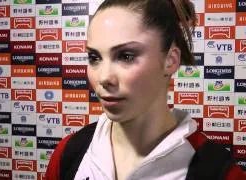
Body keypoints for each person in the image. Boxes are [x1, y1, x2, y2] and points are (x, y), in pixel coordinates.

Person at [46, 0, 245, 179]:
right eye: (94, 58)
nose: (104, 77)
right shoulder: (69, 152)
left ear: (170, 60)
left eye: (126, 56)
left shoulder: (220, 173)